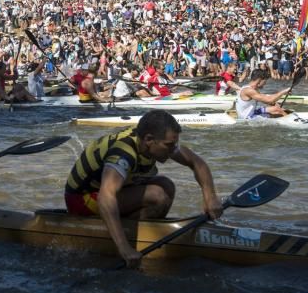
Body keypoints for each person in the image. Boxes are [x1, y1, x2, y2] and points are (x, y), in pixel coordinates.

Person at [64, 110, 223, 269]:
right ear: (148, 139)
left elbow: (197, 163)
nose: (173, 149)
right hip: (81, 199)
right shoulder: (123, 152)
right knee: (158, 195)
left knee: (166, 185)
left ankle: (131, 231)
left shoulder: (155, 140)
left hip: (106, 191)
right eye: (168, 145)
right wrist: (124, 249)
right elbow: (106, 196)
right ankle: (125, 240)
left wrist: (210, 198)